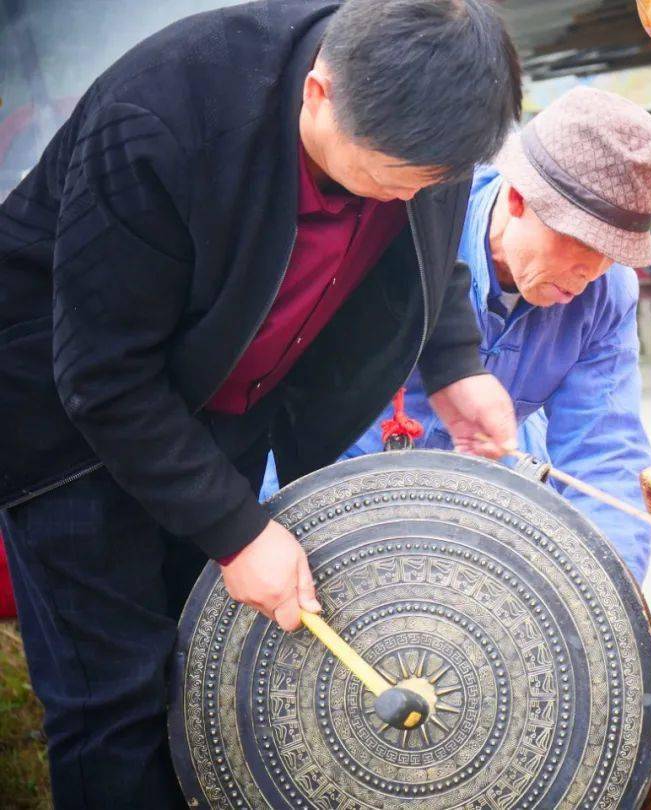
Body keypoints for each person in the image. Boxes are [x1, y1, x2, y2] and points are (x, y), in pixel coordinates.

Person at [0, 1, 521, 806]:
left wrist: (455, 364)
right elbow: (101, 376)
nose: (401, 199)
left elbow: (431, 238)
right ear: (318, 93)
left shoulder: (419, 133)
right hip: (66, 416)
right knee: (116, 697)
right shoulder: (163, 121)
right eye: (387, 176)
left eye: (425, 183)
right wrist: (238, 533)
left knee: (204, 667)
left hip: (223, 395)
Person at [264, 87, 651, 581]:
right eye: (582, 241)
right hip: (347, 481)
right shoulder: (409, 216)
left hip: (495, 501)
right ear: (519, 197)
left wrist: (610, 598)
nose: (593, 269)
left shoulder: (607, 292)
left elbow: (603, 452)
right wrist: (269, 523)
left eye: (614, 251)